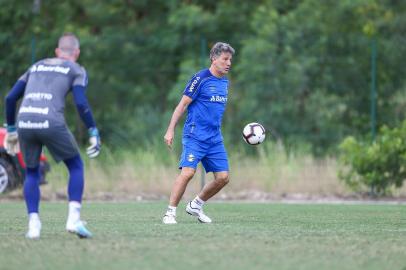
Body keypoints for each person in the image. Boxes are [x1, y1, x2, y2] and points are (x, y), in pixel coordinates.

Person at [3, 33, 101, 239]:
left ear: (57, 51)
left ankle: (33, 226)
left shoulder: (36, 66)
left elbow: (10, 98)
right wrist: (93, 130)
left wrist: (11, 130)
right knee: (76, 165)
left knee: (31, 172)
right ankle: (73, 220)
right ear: (77, 52)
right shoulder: (76, 69)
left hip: (25, 121)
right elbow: (81, 104)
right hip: (51, 121)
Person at [162, 42, 235, 224]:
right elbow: (182, 105)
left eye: (230, 60)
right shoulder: (200, 78)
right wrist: (170, 130)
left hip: (215, 138)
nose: (229, 63)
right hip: (195, 136)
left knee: (223, 178)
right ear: (214, 58)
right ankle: (170, 213)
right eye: (225, 59)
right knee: (187, 173)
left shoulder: (224, 82)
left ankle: (196, 205)